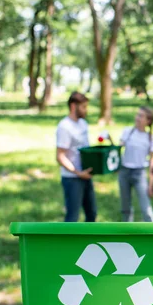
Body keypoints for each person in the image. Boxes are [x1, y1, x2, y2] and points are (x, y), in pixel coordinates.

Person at [56, 92, 96, 222]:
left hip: (86, 175)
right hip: (72, 178)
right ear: (73, 106)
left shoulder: (83, 123)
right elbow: (60, 156)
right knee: (72, 217)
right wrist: (78, 173)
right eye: (83, 107)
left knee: (92, 214)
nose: (86, 110)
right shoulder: (64, 127)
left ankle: (89, 242)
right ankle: (67, 243)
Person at [118, 106, 153, 222]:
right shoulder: (128, 132)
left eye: (141, 116)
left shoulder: (150, 138)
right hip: (124, 172)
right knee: (125, 208)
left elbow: (151, 161)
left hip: (139, 174)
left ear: (148, 121)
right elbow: (117, 149)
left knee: (146, 208)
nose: (137, 118)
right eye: (137, 115)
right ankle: (127, 233)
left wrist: (151, 183)